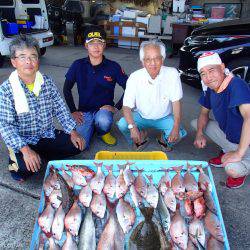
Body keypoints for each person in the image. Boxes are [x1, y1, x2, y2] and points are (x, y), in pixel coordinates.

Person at [0, 36, 85, 182]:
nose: (28, 61)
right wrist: (26, 151)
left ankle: (39, 156)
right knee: (22, 172)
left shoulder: (47, 82)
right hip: (24, 141)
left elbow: (60, 108)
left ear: (38, 60)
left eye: (33, 56)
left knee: (78, 145)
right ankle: (23, 155)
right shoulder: (6, 90)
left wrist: (73, 131)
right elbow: (6, 126)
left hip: (47, 134)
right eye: (22, 57)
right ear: (14, 62)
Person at [191, 51, 250, 188]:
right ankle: (227, 150)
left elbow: (249, 117)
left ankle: (240, 166)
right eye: (203, 73)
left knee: (232, 169)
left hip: (246, 143)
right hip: (232, 137)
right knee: (197, 124)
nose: (208, 77)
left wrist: (239, 153)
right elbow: (203, 113)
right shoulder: (209, 88)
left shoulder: (236, 84)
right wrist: (199, 134)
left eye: (211, 70)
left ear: (222, 67)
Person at [63, 25, 128, 148]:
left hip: (103, 112)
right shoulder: (77, 65)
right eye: (92, 43)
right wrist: (73, 111)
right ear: (86, 46)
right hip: (84, 112)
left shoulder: (113, 66)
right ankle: (91, 126)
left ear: (104, 45)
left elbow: (130, 88)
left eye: (100, 43)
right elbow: (67, 88)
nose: (96, 47)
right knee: (81, 146)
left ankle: (103, 132)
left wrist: (116, 108)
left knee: (103, 120)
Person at [117, 40, 187, 151]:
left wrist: (176, 127)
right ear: (142, 62)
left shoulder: (172, 73)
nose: (152, 63)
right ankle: (141, 137)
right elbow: (126, 106)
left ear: (162, 60)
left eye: (157, 58)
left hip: (165, 117)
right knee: (123, 124)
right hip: (141, 116)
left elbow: (176, 102)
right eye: (148, 59)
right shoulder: (135, 77)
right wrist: (132, 127)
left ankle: (163, 139)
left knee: (178, 134)